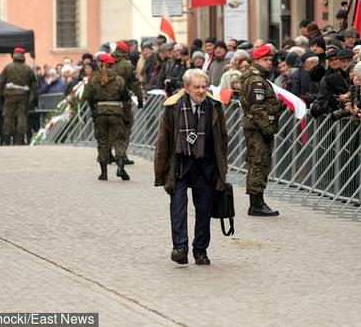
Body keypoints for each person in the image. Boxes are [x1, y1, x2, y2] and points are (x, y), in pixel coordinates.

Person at [154, 69, 228, 265]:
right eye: (197, 87)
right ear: (187, 88)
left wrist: (222, 171)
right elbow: (163, 140)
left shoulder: (214, 107)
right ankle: (180, 248)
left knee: (204, 210)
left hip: (206, 165)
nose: (201, 91)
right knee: (178, 208)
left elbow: (222, 140)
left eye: (204, 87)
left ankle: (200, 251)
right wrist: (160, 173)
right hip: (180, 164)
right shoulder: (173, 107)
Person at [240, 45, 282, 216]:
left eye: (271, 60)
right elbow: (257, 108)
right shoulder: (256, 80)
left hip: (258, 128)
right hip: (258, 129)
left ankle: (257, 201)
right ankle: (256, 203)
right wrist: (268, 128)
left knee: (259, 163)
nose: (269, 63)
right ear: (256, 60)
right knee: (258, 163)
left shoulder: (259, 78)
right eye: (266, 60)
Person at [86, 54, 130, 181]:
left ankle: (103, 173)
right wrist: (126, 116)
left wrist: (94, 112)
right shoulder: (119, 80)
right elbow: (126, 100)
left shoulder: (94, 80)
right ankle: (120, 167)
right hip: (116, 114)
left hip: (100, 114)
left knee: (102, 141)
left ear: (100, 64)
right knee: (119, 140)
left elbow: (89, 98)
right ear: (112, 65)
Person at [112, 41, 144, 165]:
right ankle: (122, 155)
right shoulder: (126, 65)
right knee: (126, 126)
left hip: (106, 101)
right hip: (123, 101)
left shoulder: (106, 63)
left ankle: (108, 154)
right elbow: (134, 83)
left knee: (111, 128)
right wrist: (140, 99)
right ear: (125, 52)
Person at [0, 48, 38, 145]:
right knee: (22, 116)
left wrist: (1, 96)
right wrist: (35, 97)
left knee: (8, 116)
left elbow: (1, 82)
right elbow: (34, 83)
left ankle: (7, 140)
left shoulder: (8, 67)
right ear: (23, 55)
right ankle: (19, 140)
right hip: (23, 95)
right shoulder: (28, 68)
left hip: (9, 95)